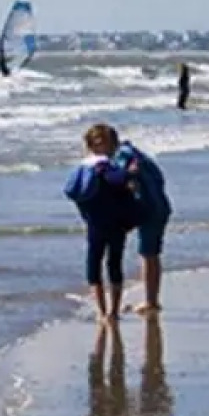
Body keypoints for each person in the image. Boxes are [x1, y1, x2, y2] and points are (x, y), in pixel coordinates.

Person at [65, 127, 143, 322]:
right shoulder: (104, 166)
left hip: (93, 221)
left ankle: (102, 311)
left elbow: (70, 191)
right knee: (113, 264)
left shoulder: (82, 168)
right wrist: (131, 172)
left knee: (94, 264)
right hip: (115, 223)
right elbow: (118, 179)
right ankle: (112, 312)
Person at [101, 124, 172, 316]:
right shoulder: (133, 152)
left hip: (149, 208)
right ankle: (152, 299)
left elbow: (123, 176)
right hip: (159, 204)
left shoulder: (122, 156)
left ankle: (151, 301)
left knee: (148, 253)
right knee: (151, 253)